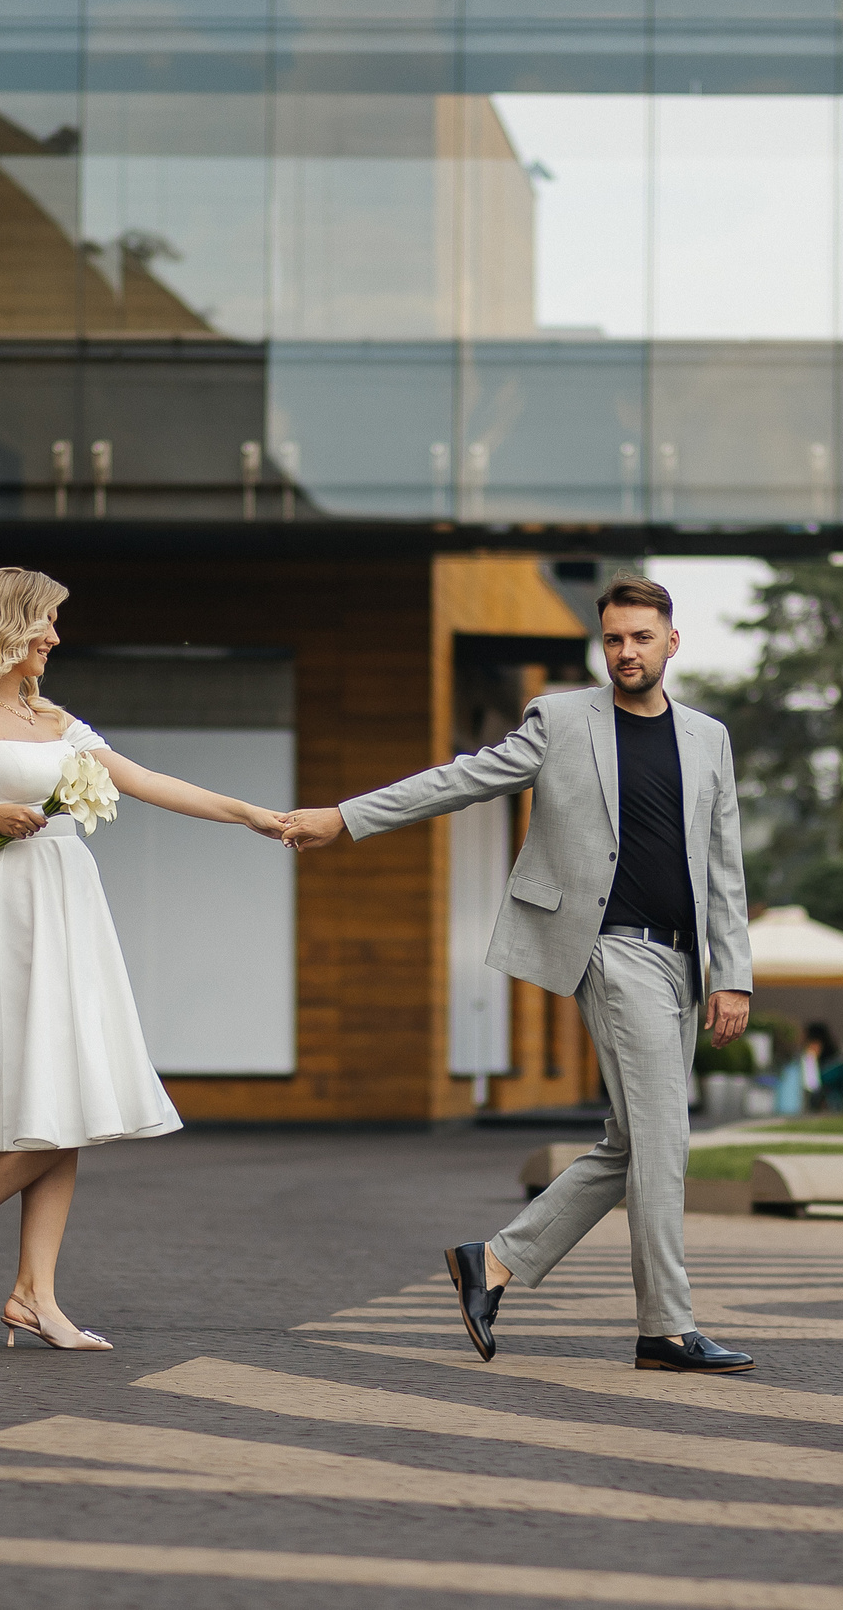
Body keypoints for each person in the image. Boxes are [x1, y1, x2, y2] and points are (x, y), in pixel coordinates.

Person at [282, 575, 758, 1375]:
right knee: (663, 1140)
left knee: (633, 1142)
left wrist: (731, 972)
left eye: (641, 637)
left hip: (681, 961)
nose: (627, 651)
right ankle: (666, 1327)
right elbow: (460, 779)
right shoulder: (564, 720)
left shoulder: (708, 738)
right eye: (614, 638)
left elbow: (725, 865)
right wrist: (346, 817)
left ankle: (493, 1261)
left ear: (672, 642)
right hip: (611, 950)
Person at [0, 567, 289, 1350]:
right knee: (58, 1103)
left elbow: (145, 780)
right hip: (14, 909)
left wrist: (249, 814)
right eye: (46, 623)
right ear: (11, 623)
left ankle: (34, 1294)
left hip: (70, 904)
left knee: (66, 1101)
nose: (56, 638)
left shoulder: (55, 719)